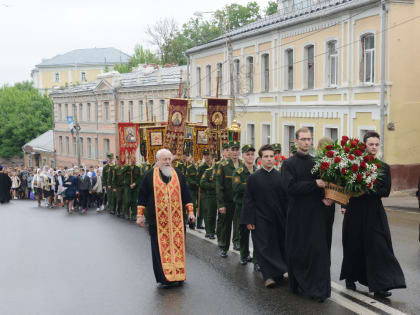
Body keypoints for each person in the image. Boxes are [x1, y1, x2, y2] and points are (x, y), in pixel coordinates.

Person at [340, 131, 406, 298]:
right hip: (355, 211)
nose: (374, 147)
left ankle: (380, 286)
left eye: (376, 144)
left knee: (379, 247)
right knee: (353, 244)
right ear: (364, 145)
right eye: (371, 144)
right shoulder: (355, 164)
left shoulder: (384, 167)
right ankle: (350, 277)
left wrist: (366, 190)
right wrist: (345, 202)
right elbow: (345, 186)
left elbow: (385, 191)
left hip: (375, 212)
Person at [281, 127, 334, 302]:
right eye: (303, 139)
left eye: (309, 139)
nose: (306, 142)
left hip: (316, 214)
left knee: (318, 251)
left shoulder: (316, 163)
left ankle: (319, 290)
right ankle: (300, 285)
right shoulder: (288, 164)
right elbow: (290, 188)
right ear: (295, 142)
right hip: (297, 215)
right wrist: (315, 184)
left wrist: (328, 197)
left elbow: (325, 185)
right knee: (299, 251)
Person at [136, 148, 194, 287]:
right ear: (158, 160)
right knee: (159, 249)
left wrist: (190, 212)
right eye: (165, 159)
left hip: (177, 222)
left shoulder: (178, 174)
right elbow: (142, 196)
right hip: (158, 222)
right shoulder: (150, 176)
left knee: (178, 248)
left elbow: (186, 194)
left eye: (169, 159)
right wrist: (139, 216)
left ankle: (178, 276)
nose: (168, 162)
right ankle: (165, 278)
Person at [241, 144, 288, 288]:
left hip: (278, 218)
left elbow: (286, 199)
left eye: (271, 156)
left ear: (275, 158)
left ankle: (279, 273)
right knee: (264, 247)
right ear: (260, 159)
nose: (269, 159)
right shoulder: (254, 178)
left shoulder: (280, 176)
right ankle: (268, 276)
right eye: (266, 156)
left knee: (279, 244)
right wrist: (249, 220)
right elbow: (248, 200)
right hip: (260, 218)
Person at [216, 141, 244, 257]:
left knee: (239, 224)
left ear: (239, 151)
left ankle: (237, 243)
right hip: (227, 201)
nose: (235, 152)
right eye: (233, 150)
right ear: (229, 151)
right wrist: (221, 204)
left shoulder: (243, 165)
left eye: (237, 150)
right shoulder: (223, 166)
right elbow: (219, 186)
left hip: (240, 201)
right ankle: (224, 247)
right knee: (226, 226)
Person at [232, 144, 256, 266]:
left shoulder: (258, 170)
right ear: (243, 155)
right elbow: (237, 187)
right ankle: (244, 255)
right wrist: (254, 186)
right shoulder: (239, 171)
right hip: (242, 206)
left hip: (256, 207)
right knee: (244, 233)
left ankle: (257, 259)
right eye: (248, 154)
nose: (250, 156)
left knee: (257, 234)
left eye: (252, 154)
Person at [123, 155, 142, 220]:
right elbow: (122, 173)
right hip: (127, 186)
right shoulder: (126, 168)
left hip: (135, 187)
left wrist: (135, 183)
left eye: (134, 159)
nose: (132, 161)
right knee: (128, 200)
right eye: (131, 160)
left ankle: (134, 214)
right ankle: (126, 213)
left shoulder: (137, 168)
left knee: (134, 201)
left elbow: (140, 178)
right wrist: (128, 166)